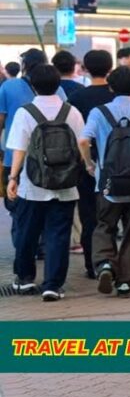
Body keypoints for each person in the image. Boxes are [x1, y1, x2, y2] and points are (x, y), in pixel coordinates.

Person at [80, 66, 130, 298]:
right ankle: (125, 281)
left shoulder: (98, 112)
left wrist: (90, 164)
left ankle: (105, 264)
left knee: (105, 225)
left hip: (107, 184)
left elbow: (84, 140)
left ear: (111, 87)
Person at [5, 64, 85, 301]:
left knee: (27, 233)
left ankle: (25, 279)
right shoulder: (71, 111)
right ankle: (53, 285)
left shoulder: (25, 112)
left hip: (33, 185)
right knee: (58, 235)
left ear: (32, 85)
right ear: (58, 84)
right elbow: (82, 145)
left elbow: (19, 149)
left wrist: (13, 178)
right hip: (66, 186)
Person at [1, 49, 65, 239]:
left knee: (17, 206)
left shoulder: (8, 87)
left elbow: (1, 119)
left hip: (15, 157)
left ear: (24, 66)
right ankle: (43, 244)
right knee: (47, 202)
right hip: (52, 156)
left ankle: (23, 246)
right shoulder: (58, 88)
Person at [64, 50, 116, 278]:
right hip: (116, 162)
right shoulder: (117, 97)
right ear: (110, 68)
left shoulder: (76, 98)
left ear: (84, 68)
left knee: (88, 215)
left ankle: (91, 264)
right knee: (113, 213)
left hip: (86, 163)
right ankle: (110, 260)